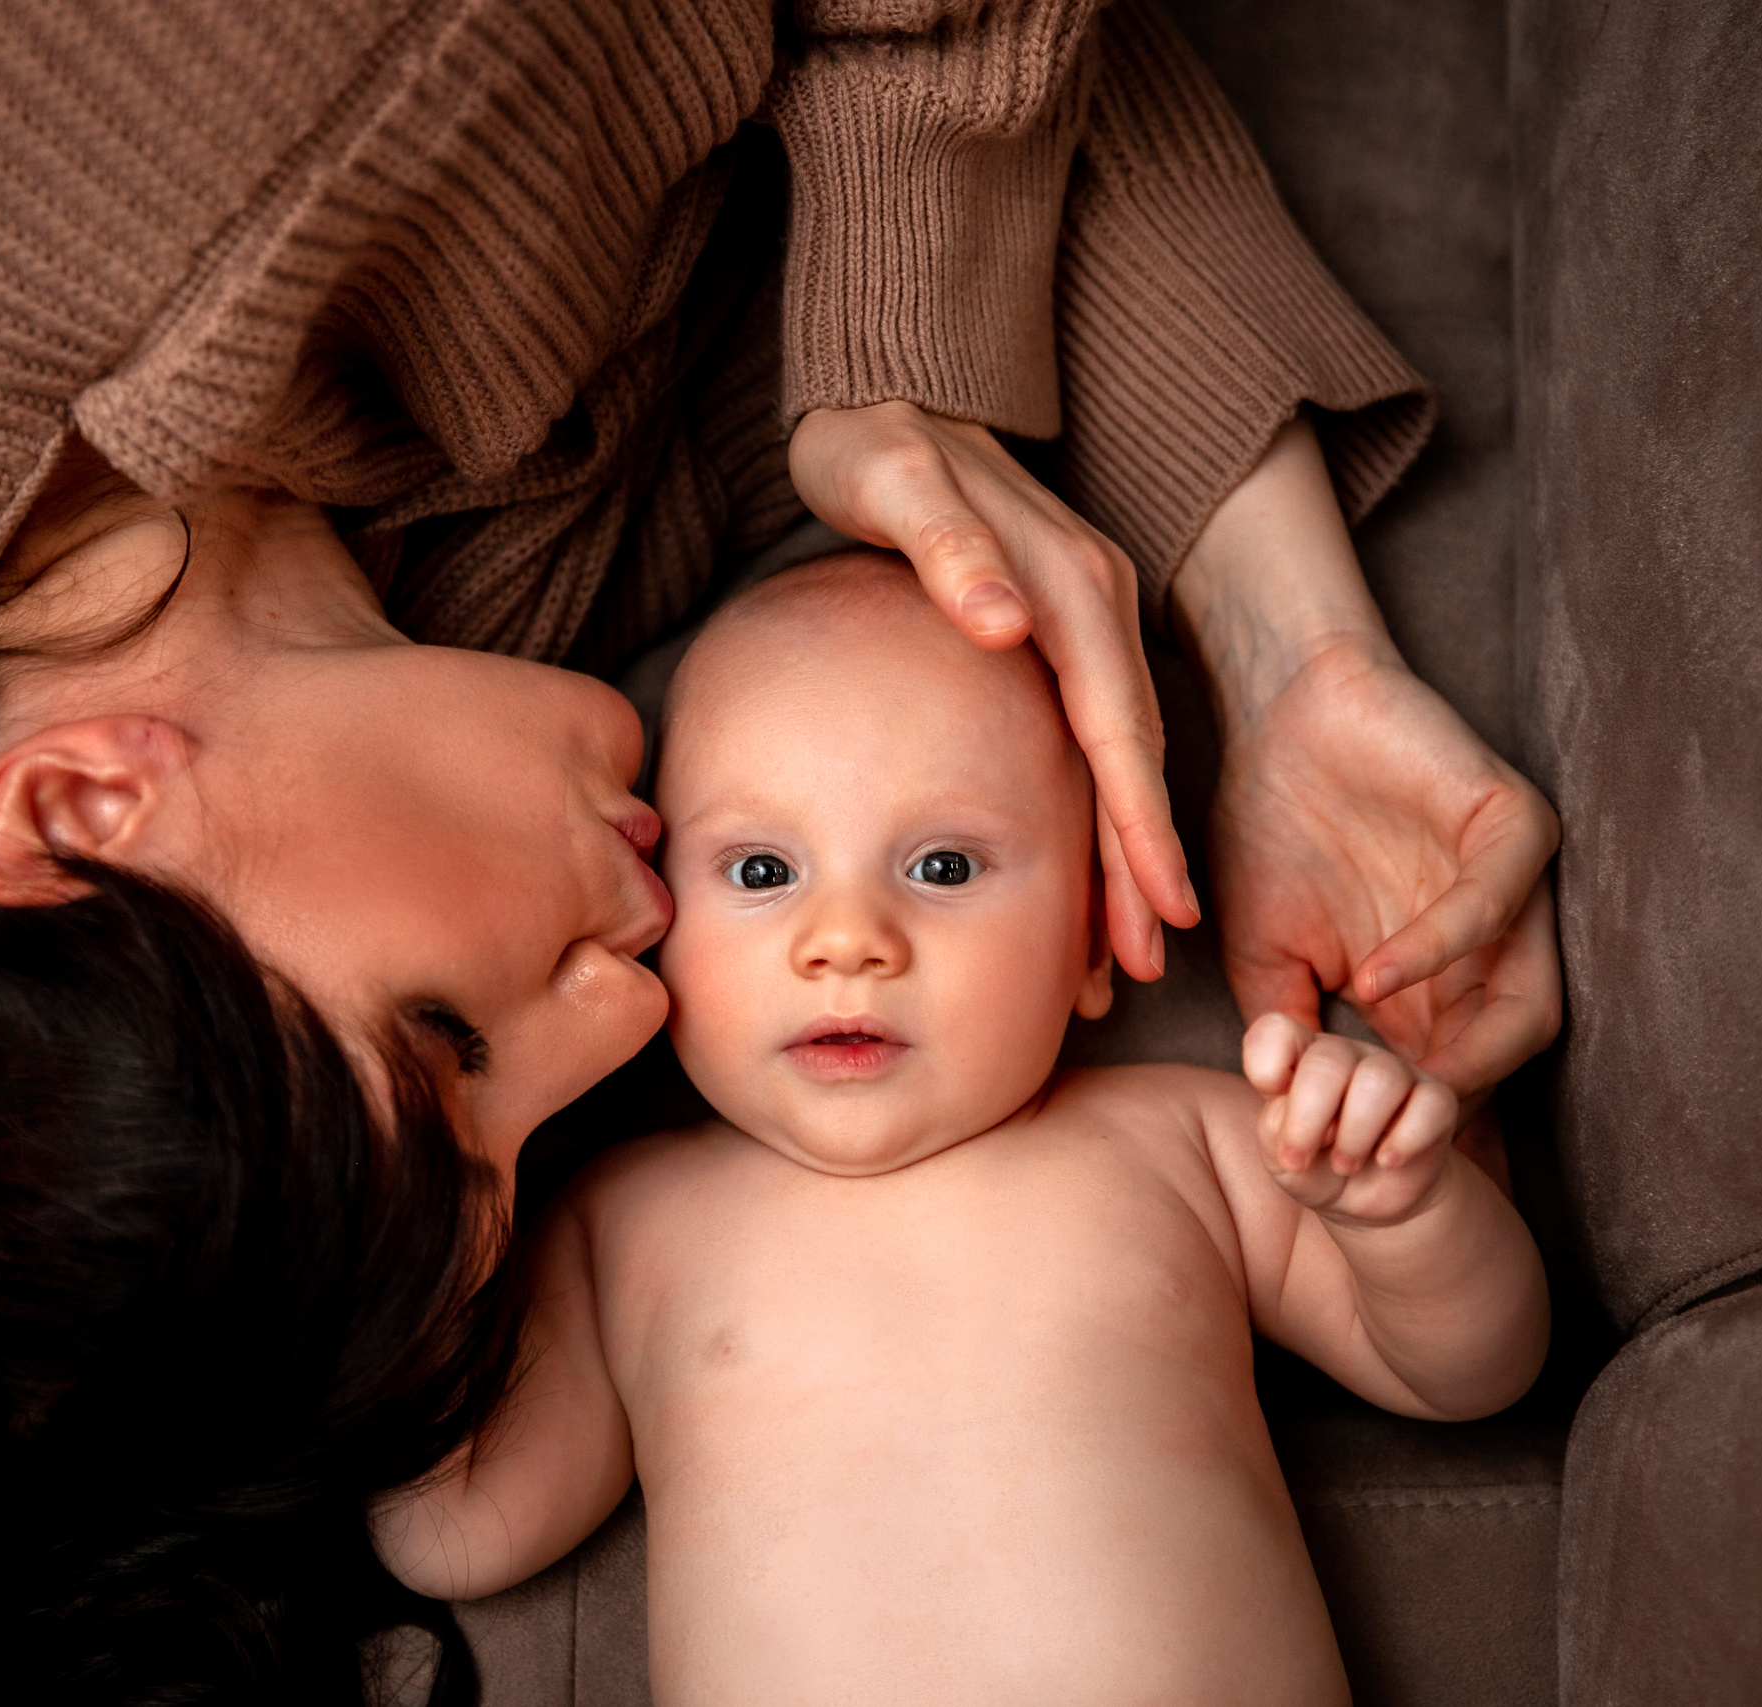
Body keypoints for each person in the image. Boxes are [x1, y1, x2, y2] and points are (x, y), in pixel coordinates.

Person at [0, 0, 1556, 1697]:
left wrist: (899, 331)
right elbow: (1021, 158)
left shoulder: (341, 89)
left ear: (76, 809)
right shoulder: (441, 623)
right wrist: (1292, 655)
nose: (636, 1002)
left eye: (442, 1045)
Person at [367, 553, 1550, 1703]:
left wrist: (1401, 1209)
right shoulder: (618, 1225)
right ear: (653, 923)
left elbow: (1469, 1373)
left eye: (940, 864)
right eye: (764, 868)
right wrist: (411, 1218)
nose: (847, 938)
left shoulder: (1188, 1141)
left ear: (1093, 936)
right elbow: (463, 1533)